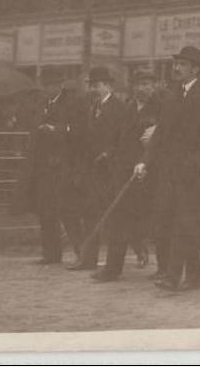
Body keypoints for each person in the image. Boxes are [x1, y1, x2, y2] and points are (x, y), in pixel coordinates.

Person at [134, 46, 200, 292]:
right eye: (176, 64)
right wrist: (145, 160)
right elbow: (161, 133)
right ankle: (193, 277)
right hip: (170, 172)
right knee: (173, 223)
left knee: (184, 224)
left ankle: (173, 276)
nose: (176, 68)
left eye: (182, 64)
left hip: (195, 174)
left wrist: (194, 163)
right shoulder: (171, 96)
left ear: (195, 69)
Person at [92, 69, 161, 282]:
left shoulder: (161, 110)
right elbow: (118, 138)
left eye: (147, 84)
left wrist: (156, 134)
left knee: (157, 221)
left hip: (150, 174)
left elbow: (169, 137)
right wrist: (109, 154)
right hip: (124, 173)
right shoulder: (128, 109)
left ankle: (165, 269)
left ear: (154, 86)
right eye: (139, 84)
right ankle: (113, 269)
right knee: (118, 220)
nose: (143, 88)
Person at [17, 82, 85, 265]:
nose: (46, 88)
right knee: (45, 211)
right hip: (43, 168)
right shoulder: (42, 104)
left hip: (63, 166)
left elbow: (77, 130)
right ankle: (52, 254)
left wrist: (56, 130)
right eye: (45, 83)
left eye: (51, 83)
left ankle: (83, 252)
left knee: (67, 210)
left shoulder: (71, 103)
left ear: (60, 85)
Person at [69, 66, 127, 271]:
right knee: (90, 213)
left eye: (97, 85)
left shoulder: (119, 108)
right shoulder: (91, 108)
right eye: (91, 85)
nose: (93, 89)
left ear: (107, 86)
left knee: (112, 216)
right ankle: (89, 259)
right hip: (92, 170)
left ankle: (117, 262)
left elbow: (123, 138)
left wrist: (109, 153)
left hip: (110, 171)